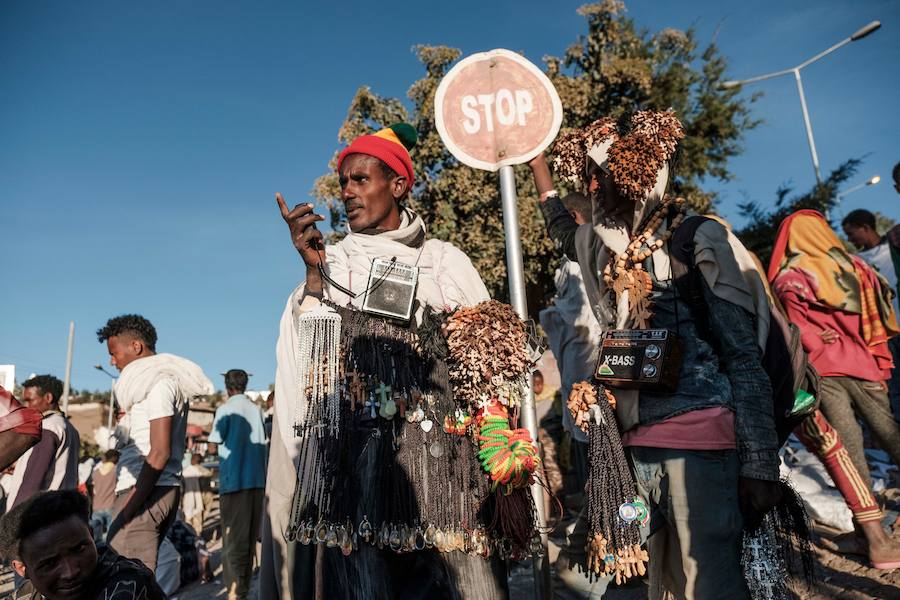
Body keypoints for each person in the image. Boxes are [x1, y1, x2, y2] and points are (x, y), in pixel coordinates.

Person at [530, 111, 781, 599]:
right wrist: (536, 161)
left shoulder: (697, 239)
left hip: (701, 453)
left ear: (640, 175)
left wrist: (760, 464)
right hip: (627, 458)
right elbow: (560, 229)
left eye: (601, 173)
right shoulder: (601, 247)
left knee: (708, 582)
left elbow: (743, 357)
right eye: (589, 174)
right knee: (620, 581)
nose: (592, 183)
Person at [262, 123, 504, 599]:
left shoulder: (444, 262)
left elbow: (485, 366)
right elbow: (311, 373)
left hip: (446, 475)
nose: (347, 192)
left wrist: (501, 456)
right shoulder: (330, 265)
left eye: (361, 180)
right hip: (356, 481)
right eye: (344, 182)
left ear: (397, 185)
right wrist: (314, 278)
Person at [769, 210, 900, 533]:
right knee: (889, 432)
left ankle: (869, 527)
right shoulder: (856, 268)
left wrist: (814, 336)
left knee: (848, 444)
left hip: (826, 368)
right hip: (864, 363)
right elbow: (880, 313)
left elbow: (796, 328)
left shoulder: (791, 275)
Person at [97, 313, 213, 572]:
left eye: (114, 352)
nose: (111, 360)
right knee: (133, 578)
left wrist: (130, 506)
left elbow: (159, 451)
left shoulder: (160, 383)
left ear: (136, 346)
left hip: (147, 490)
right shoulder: (145, 385)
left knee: (129, 580)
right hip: (150, 489)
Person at [0, 489, 166, 600]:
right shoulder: (30, 593)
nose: (71, 572)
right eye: (50, 563)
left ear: (91, 535)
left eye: (79, 549)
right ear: (22, 569)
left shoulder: (127, 583)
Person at [209, 368, 267, 600]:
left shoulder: (224, 410)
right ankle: (242, 589)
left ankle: (237, 593)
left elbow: (213, 445)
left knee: (234, 543)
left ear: (227, 386)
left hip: (234, 484)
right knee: (249, 541)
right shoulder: (257, 410)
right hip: (257, 483)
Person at [843, 208, 900, 420]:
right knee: (895, 385)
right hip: (883, 332)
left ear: (865, 228)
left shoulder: (893, 246)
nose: (850, 239)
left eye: (851, 233)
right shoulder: (855, 261)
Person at [5, 375, 80, 510]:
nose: (25, 406)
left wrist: (14, 520)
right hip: (61, 513)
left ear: (48, 398)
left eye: (30, 400)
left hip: (37, 517)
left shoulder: (46, 427)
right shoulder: (68, 427)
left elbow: (32, 481)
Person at [0, 386, 42, 473]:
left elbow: (29, 422)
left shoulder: (52, 427)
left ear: (48, 398)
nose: (27, 405)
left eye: (30, 400)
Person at [90, 450, 118, 541]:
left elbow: (93, 490)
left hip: (97, 506)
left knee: (96, 538)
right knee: (111, 538)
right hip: (111, 505)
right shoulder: (116, 470)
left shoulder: (96, 472)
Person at [181, 453, 211, 536]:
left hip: (187, 502)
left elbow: (181, 489)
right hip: (198, 502)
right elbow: (206, 491)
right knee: (197, 527)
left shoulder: (184, 471)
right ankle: (197, 541)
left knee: (187, 525)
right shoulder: (203, 472)